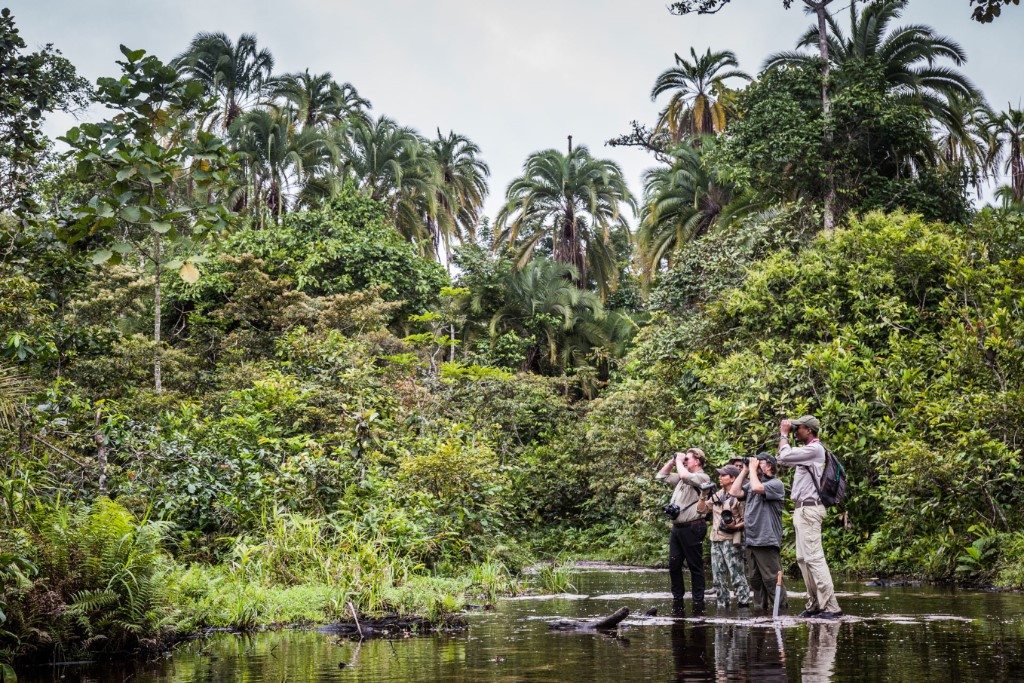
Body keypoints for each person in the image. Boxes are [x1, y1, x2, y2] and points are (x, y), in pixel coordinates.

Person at [777, 415, 842, 619]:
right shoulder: (807, 451)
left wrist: (783, 434)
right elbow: (782, 457)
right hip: (801, 510)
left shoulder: (815, 449)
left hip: (810, 510)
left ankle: (830, 606)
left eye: (799, 428)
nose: (796, 432)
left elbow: (785, 455)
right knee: (803, 559)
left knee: (814, 558)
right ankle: (814, 603)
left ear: (809, 430)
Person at [729, 452, 787, 614]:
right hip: (751, 540)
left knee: (771, 580)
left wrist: (753, 470)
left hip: (766, 540)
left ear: (769, 465)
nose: (756, 464)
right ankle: (760, 615)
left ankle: (781, 613)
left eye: (759, 462)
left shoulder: (776, 484)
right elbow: (734, 492)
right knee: (755, 581)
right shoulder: (753, 482)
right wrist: (745, 470)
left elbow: (757, 488)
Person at [656, 448, 711, 610]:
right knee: (674, 564)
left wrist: (679, 463)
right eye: (684, 459)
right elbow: (661, 476)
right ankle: (678, 599)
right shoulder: (681, 477)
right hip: (678, 528)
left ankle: (698, 601)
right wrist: (674, 461)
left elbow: (686, 476)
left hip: (693, 527)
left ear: (697, 461)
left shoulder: (703, 477)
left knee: (695, 565)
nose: (685, 461)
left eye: (688, 459)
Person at [697, 464, 752, 609]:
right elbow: (701, 510)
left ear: (733, 478)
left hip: (731, 541)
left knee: (736, 575)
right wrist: (703, 494)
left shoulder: (739, 497)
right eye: (720, 475)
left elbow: (748, 519)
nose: (720, 478)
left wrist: (735, 526)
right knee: (718, 578)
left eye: (723, 475)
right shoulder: (718, 495)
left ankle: (743, 604)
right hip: (715, 540)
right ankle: (722, 605)